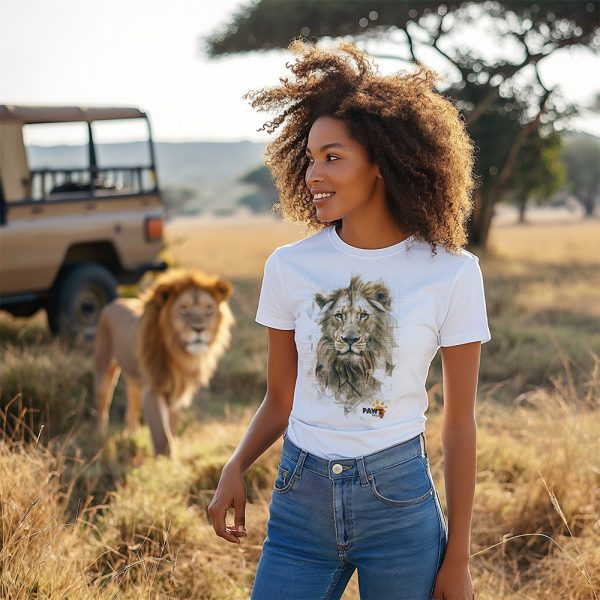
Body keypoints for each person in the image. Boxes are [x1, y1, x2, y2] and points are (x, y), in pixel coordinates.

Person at [206, 38, 491, 600]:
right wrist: (235, 465)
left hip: (400, 504)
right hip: (298, 503)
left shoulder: (452, 273)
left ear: (381, 163)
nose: (314, 173)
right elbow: (280, 399)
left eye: (333, 157)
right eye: (310, 157)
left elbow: (459, 424)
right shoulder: (290, 267)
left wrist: (456, 557)